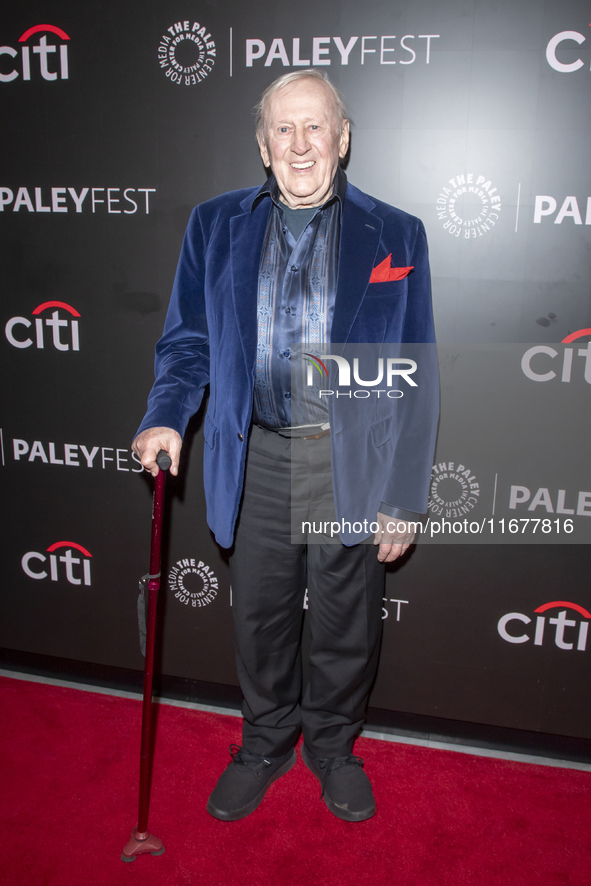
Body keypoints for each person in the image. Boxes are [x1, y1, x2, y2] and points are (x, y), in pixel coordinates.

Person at [132, 70, 438, 823]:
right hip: (258, 454)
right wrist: (166, 413)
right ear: (263, 147)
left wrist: (402, 495)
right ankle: (266, 741)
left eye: (314, 127)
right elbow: (187, 344)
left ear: (342, 138)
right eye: (282, 130)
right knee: (260, 618)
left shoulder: (395, 233)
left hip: (349, 462)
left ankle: (332, 748)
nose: (299, 145)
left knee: (345, 622)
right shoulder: (213, 224)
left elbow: (413, 375)